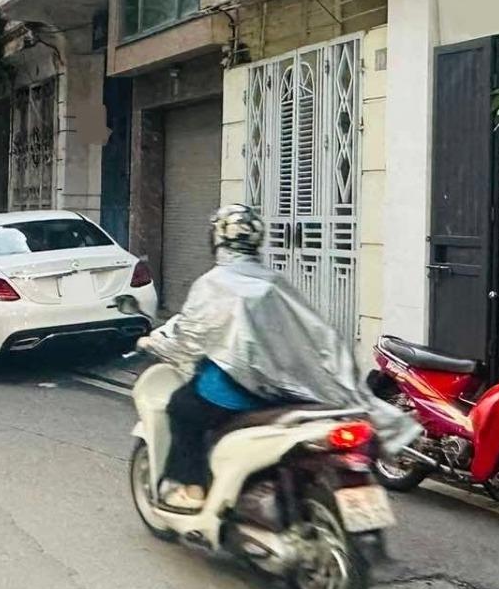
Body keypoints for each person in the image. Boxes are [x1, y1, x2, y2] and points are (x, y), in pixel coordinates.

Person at [139, 204, 415, 512]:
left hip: (229, 395)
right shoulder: (273, 283)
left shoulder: (213, 283)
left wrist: (158, 343)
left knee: (182, 407)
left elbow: (190, 335)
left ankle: (191, 490)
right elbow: (319, 337)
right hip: (281, 394)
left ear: (216, 239)